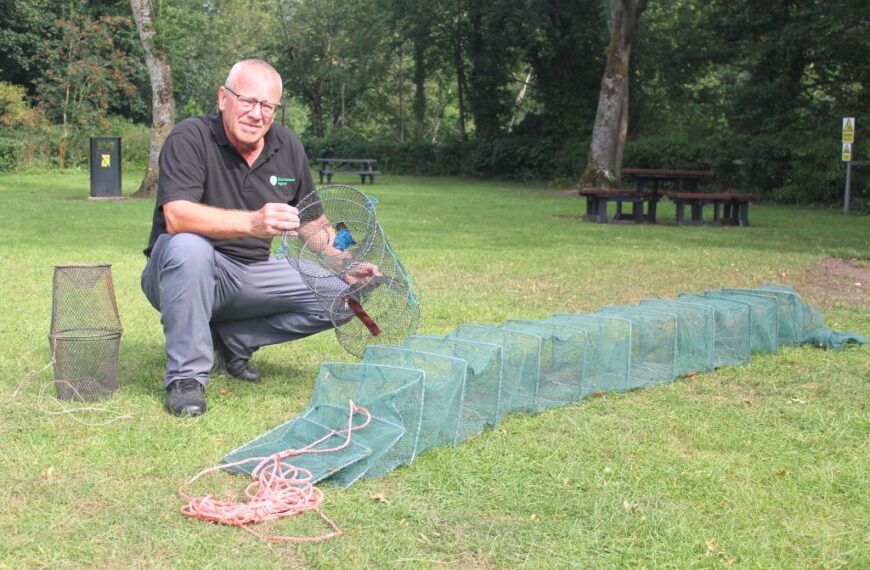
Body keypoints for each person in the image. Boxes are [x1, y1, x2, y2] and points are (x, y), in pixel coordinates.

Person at [141, 59, 375, 416]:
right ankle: (186, 379)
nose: (256, 113)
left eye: (267, 106)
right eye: (247, 101)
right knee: (189, 246)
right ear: (223, 98)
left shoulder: (287, 146)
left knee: (347, 297)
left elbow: (313, 220)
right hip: (179, 271)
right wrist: (252, 223)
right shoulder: (191, 137)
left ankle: (235, 339)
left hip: (251, 274)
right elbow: (176, 215)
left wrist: (347, 260)